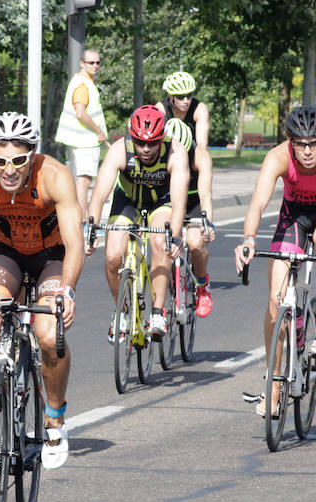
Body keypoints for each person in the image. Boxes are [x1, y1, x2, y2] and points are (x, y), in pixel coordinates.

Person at [0, 112, 83, 470]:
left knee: (47, 333)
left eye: (18, 160)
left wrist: (66, 291)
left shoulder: (55, 176)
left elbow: (75, 244)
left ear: (32, 156)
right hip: (5, 251)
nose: (9, 169)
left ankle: (54, 421)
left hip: (51, 256)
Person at [233, 105, 316, 418]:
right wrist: (248, 239)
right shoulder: (277, 157)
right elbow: (258, 203)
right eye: (300, 144)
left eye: (314, 142)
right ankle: (273, 386)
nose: (307, 151)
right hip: (293, 217)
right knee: (276, 303)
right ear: (290, 143)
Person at [85, 105, 189, 343]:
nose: (145, 148)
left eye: (152, 143)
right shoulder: (120, 150)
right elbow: (99, 194)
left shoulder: (176, 152)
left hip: (161, 203)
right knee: (112, 256)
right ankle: (121, 313)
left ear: (161, 139)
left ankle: (158, 312)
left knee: (159, 241)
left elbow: (179, 201)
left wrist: (174, 236)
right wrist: (90, 228)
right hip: (128, 201)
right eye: (139, 142)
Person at [164, 118, 216, 317]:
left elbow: (205, 196)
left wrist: (207, 224)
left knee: (195, 243)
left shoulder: (201, 156)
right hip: (170, 201)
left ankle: (202, 284)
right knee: (162, 239)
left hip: (193, 202)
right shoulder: (163, 154)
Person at [55, 49, 108, 210]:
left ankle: (80, 220)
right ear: (82, 64)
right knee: (84, 180)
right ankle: (81, 221)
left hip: (84, 140)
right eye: (91, 62)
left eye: (98, 62)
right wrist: (99, 132)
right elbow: (81, 113)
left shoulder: (84, 82)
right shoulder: (82, 85)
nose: (96, 66)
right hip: (86, 140)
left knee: (83, 180)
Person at [156, 71, 210, 150]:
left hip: (191, 150)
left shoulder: (200, 109)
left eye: (189, 96)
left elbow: (202, 144)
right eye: (180, 97)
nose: (186, 101)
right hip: (167, 150)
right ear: (171, 96)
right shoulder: (160, 109)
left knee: (201, 152)